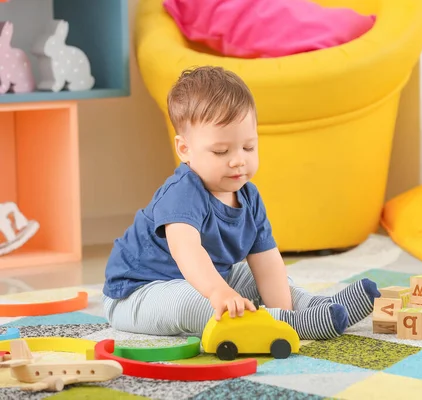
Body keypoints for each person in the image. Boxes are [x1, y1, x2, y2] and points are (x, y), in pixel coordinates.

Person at [102, 66, 380, 340]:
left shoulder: (248, 196)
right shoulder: (182, 192)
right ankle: (283, 324)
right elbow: (186, 250)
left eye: (248, 147)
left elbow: (267, 262)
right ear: (185, 150)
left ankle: (306, 309)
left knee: (251, 275)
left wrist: (279, 305)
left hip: (208, 278)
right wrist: (217, 292)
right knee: (197, 301)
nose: (238, 160)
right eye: (221, 151)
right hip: (137, 293)